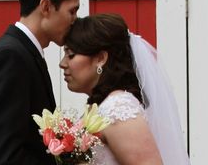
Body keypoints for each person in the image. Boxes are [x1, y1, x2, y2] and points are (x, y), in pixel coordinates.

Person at [0, 0, 81, 165]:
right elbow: (7, 157)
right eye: (72, 11)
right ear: (46, 7)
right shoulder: (9, 58)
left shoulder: (24, 53)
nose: (75, 20)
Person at [61, 14, 190, 165]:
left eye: (70, 55)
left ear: (100, 58)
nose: (62, 63)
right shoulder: (101, 106)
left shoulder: (118, 107)